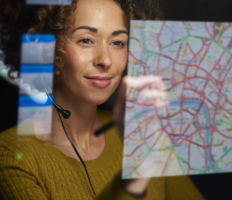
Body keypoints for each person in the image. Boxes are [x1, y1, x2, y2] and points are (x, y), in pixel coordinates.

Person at [0, 0, 206, 199]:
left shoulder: (144, 133)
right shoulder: (10, 157)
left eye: (118, 42)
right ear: (45, 48)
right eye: (86, 40)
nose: (105, 60)